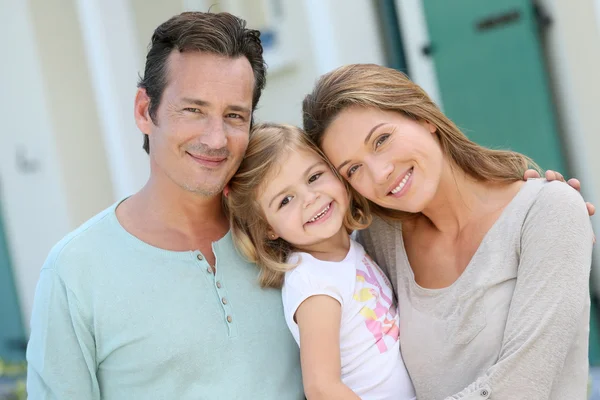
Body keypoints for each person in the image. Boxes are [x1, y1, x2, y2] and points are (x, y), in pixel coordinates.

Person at [25, 12, 303, 399]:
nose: (216, 138)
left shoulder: (280, 232)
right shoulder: (74, 271)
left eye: (234, 116)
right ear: (144, 110)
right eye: (193, 110)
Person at [302, 63, 594, 399]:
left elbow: (522, 388)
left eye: (381, 139)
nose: (380, 173)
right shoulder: (382, 240)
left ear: (424, 118)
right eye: (353, 169)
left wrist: (560, 218)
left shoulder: (546, 211)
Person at [227, 123, 416, 400]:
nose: (309, 198)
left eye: (314, 177)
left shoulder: (349, 250)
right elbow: (321, 387)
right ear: (268, 228)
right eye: (285, 200)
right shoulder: (314, 283)